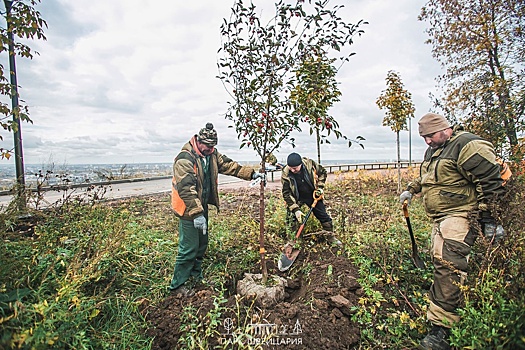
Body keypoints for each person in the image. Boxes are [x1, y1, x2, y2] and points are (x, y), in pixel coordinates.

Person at [399, 113, 506, 350]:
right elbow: (428, 177)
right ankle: (445, 301)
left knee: (448, 264)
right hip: (441, 217)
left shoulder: (466, 145)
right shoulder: (435, 150)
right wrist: (411, 189)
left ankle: (442, 330)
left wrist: (490, 220)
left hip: (461, 214)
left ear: (444, 129)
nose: (426, 141)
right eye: (423, 137)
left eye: (430, 135)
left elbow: (490, 181)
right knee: (440, 260)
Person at [169, 122, 266, 296]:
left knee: (201, 245)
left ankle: (195, 276)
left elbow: (230, 166)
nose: (210, 149)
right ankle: (177, 286)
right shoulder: (185, 159)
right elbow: (186, 189)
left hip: (201, 206)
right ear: (198, 141)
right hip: (188, 209)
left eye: (213, 147)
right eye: (207, 146)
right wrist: (197, 214)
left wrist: (252, 174)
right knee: (189, 247)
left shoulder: (211, 154)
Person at [281, 152, 342, 246]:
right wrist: (295, 209)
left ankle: (331, 237)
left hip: (312, 194)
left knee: (323, 215)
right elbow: (286, 193)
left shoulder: (310, 165)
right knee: (290, 219)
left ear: (300, 164)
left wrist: (320, 188)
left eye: (295, 168)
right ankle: (293, 242)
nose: (293, 170)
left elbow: (323, 173)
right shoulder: (286, 173)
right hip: (297, 197)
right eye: (291, 168)